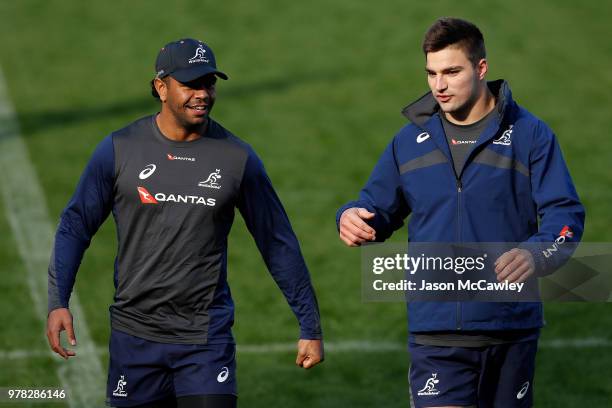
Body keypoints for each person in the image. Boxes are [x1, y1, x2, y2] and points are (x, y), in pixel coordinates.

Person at [46, 38, 323, 408]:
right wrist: (58, 300)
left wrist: (310, 325)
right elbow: (75, 226)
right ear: (161, 87)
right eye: (191, 84)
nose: (203, 94)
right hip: (135, 337)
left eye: (209, 83)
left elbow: (276, 241)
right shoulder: (119, 149)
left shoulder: (237, 158)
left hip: (206, 340)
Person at [337, 18, 584, 408]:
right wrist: (350, 217)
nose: (439, 85)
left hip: (510, 327)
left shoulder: (530, 135)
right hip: (435, 333)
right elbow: (374, 208)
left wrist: (537, 253)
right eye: (432, 73)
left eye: (452, 72)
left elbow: (565, 216)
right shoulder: (409, 142)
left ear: (481, 68)